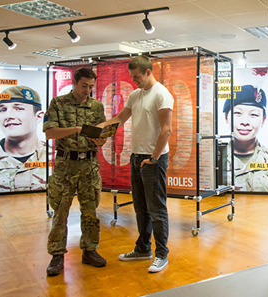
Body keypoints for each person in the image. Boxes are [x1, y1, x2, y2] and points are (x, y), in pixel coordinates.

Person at [99, 55, 174, 273]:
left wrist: (154, 158)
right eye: (132, 77)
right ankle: (143, 249)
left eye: (137, 76)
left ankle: (161, 254)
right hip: (136, 157)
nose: (134, 81)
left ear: (149, 72)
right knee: (140, 207)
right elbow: (119, 119)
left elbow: (166, 130)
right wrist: (97, 128)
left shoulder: (162, 95)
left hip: (153, 159)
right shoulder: (135, 95)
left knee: (156, 208)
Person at [44, 68, 107, 276]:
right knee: (60, 211)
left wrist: (101, 139)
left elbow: (103, 135)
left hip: (89, 164)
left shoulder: (96, 106)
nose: (87, 90)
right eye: (84, 86)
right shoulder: (58, 104)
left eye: (91, 87)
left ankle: (90, 250)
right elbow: (50, 132)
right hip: (65, 164)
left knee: (90, 211)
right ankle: (57, 255)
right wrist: (77, 129)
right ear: (74, 83)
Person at [0, 86, 46, 193]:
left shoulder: (54, 156)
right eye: (3, 109)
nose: (8, 116)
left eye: (19, 109)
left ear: (39, 116)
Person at [223, 85, 268, 192]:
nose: (245, 122)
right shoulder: (213, 161)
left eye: (253, 114)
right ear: (226, 117)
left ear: (263, 120)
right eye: (237, 113)